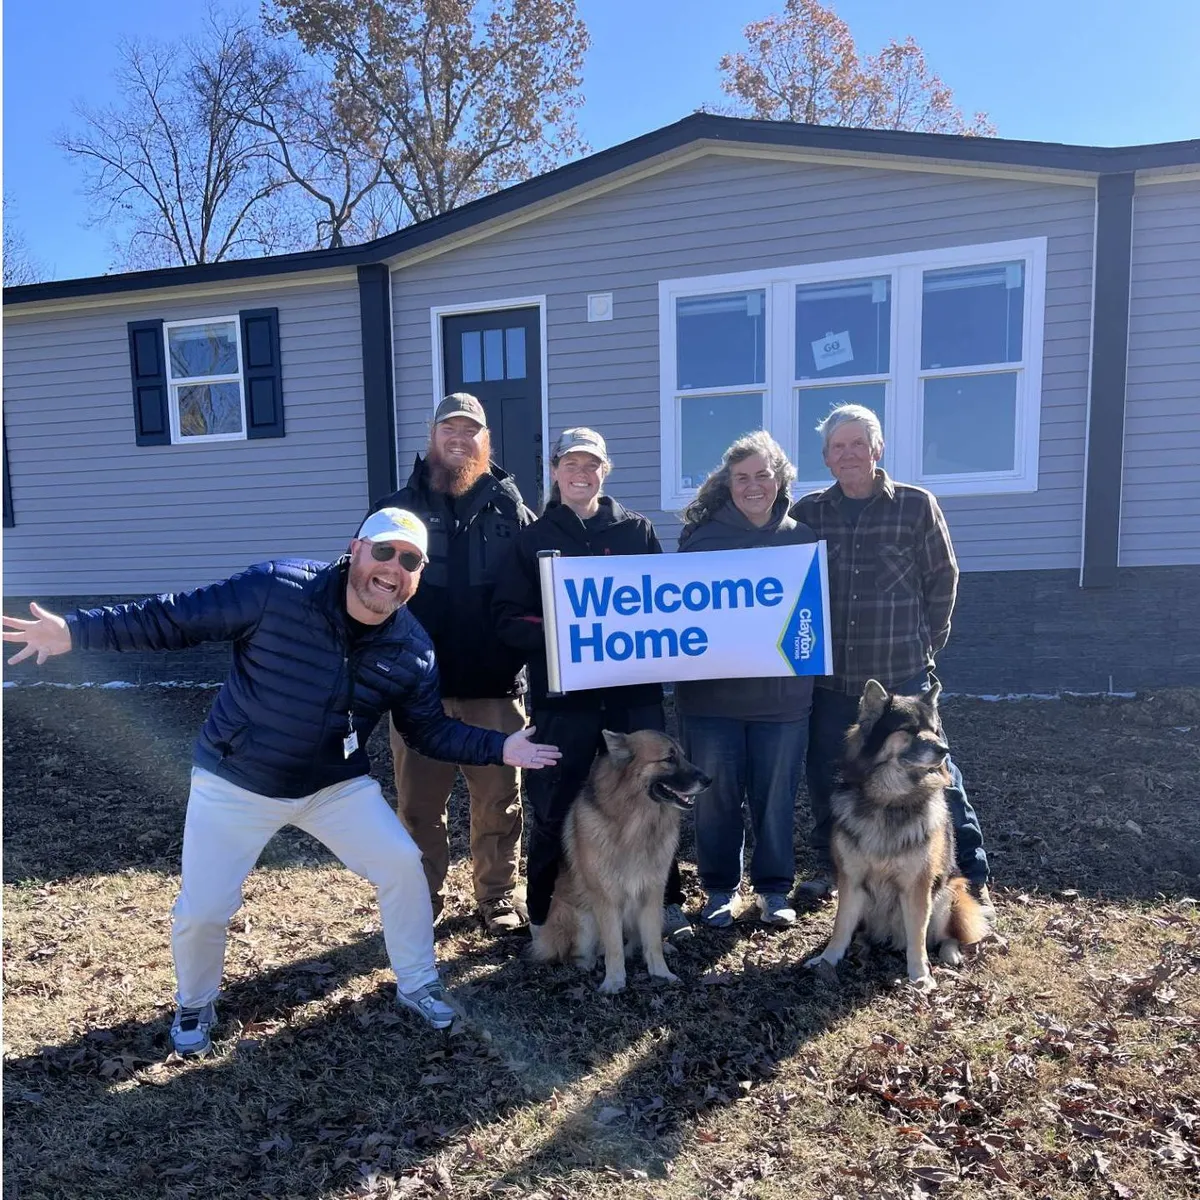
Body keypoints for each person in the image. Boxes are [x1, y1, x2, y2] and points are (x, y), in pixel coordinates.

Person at [1, 508, 561, 1056]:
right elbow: (171, 618)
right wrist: (73, 631)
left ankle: (418, 982)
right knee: (204, 908)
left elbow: (429, 731)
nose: (393, 566)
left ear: (417, 578)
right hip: (236, 779)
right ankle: (196, 1002)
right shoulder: (275, 589)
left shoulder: (411, 650)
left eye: (409, 560)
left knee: (401, 864)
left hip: (332, 785)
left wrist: (500, 746)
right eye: (384, 550)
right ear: (355, 549)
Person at [492, 427, 692, 950]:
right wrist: (562, 632)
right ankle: (543, 912)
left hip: (632, 701)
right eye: (571, 464)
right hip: (566, 703)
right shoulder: (531, 541)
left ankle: (663, 907)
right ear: (554, 470)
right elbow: (507, 620)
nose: (581, 474)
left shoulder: (636, 531)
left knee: (655, 800)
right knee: (555, 806)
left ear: (606, 470)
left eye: (592, 465)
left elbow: (664, 607)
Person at [789, 405, 993, 914]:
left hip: (901, 673)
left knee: (936, 771)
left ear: (877, 451)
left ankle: (969, 869)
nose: (849, 453)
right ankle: (832, 867)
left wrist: (929, 640)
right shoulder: (809, 512)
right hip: (833, 679)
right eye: (839, 447)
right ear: (827, 458)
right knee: (829, 773)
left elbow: (943, 577)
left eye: (859, 443)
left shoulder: (915, 505)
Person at [370, 393, 535, 935]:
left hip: (495, 690)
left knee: (500, 805)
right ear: (432, 436)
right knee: (418, 808)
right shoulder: (396, 509)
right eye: (449, 429)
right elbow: (365, 590)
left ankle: (497, 897)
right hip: (420, 694)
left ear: (485, 441)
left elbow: (544, 591)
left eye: (471, 430)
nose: (459, 439)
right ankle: (422, 896)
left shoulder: (513, 510)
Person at [675, 431, 818, 929]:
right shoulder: (702, 540)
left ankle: (775, 890)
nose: (753, 486)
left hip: (783, 702)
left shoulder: (803, 540)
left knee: (775, 800)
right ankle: (719, 889)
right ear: (728, 483)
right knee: (714, 798)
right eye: (742, 477)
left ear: (780, 480)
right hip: (711, 702)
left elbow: (810, 622)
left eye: (762, 475)